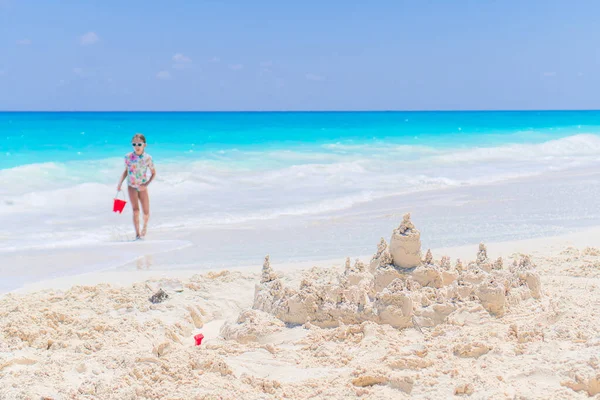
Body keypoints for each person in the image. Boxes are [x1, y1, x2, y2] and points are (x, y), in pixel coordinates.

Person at [117, 133, 156, 239]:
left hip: (142, 187)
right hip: (131, 186)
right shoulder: (128, 157)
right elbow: (126, 171)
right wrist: (120, 183)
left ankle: (145, 227)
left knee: (146, 212)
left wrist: (146, 184)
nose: (136, 146)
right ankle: (137, 234)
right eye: (134, 144)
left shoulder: (148, 158)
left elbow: (153, 173)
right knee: (135, 211)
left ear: (145, 145)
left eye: (139, 144)